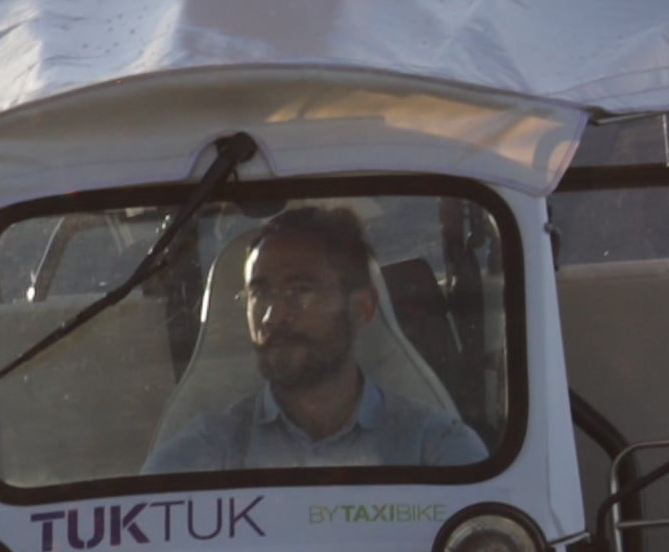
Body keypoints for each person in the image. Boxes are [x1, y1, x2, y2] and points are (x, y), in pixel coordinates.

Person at [144, 201, 481, 471]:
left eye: (300, 292)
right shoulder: (207, 452)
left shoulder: (432, 446)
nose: (271, 316)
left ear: (362, 307)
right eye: (259, 295)